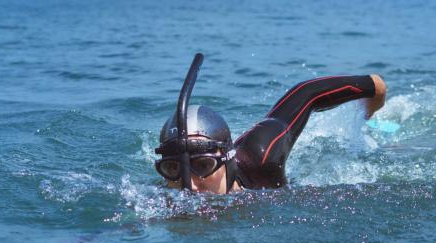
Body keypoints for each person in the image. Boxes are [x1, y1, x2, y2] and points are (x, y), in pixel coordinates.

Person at [155, 54, 386, 194]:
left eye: (204, 165)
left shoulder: (262, 156)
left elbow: (308, 94)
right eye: (173, 169)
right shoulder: (169, 191)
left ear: (228, 158)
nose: (191, 187)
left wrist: (373, 92)